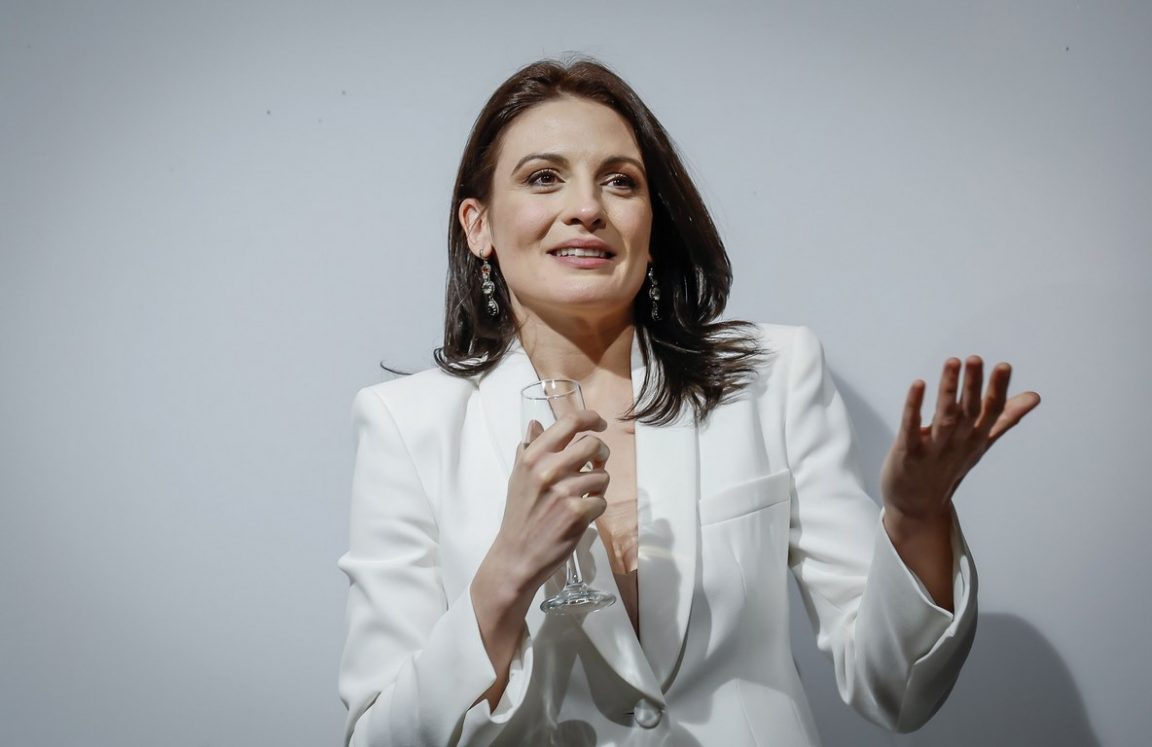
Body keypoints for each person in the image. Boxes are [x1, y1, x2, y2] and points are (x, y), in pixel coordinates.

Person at [337, 58, 1040, 746]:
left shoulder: (773, 378)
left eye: (620, 181)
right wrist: (505, 574)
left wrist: (916, 518)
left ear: (651, 226)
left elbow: (897, 688)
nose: (587, 208)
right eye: (544, 177)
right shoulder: (407, 424)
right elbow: (379, 735)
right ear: (479, 225)